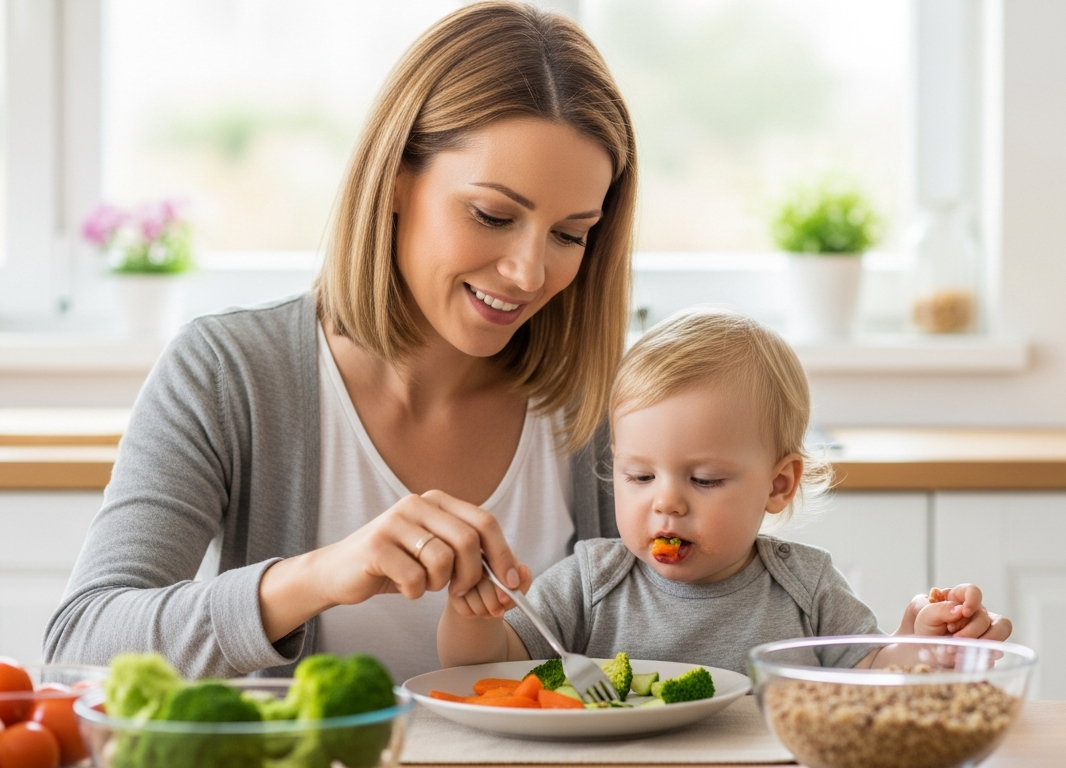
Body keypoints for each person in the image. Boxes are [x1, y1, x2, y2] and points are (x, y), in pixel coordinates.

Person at [44, 1, 636, 683]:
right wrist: (317, 576)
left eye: (570, 233)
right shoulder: (229, 373)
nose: (529, 272)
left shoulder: (609, 405)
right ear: (394, 182)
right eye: (493, 215)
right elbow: (80, 643)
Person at [438, 309, 1013, 674]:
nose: (666, 502)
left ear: (778, 484)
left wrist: (918, 644)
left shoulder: (804, 587)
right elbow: (487, 668)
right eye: (639, 477)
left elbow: (869, 676)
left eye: (704, 480)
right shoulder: (592, 580)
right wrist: (473, 618)